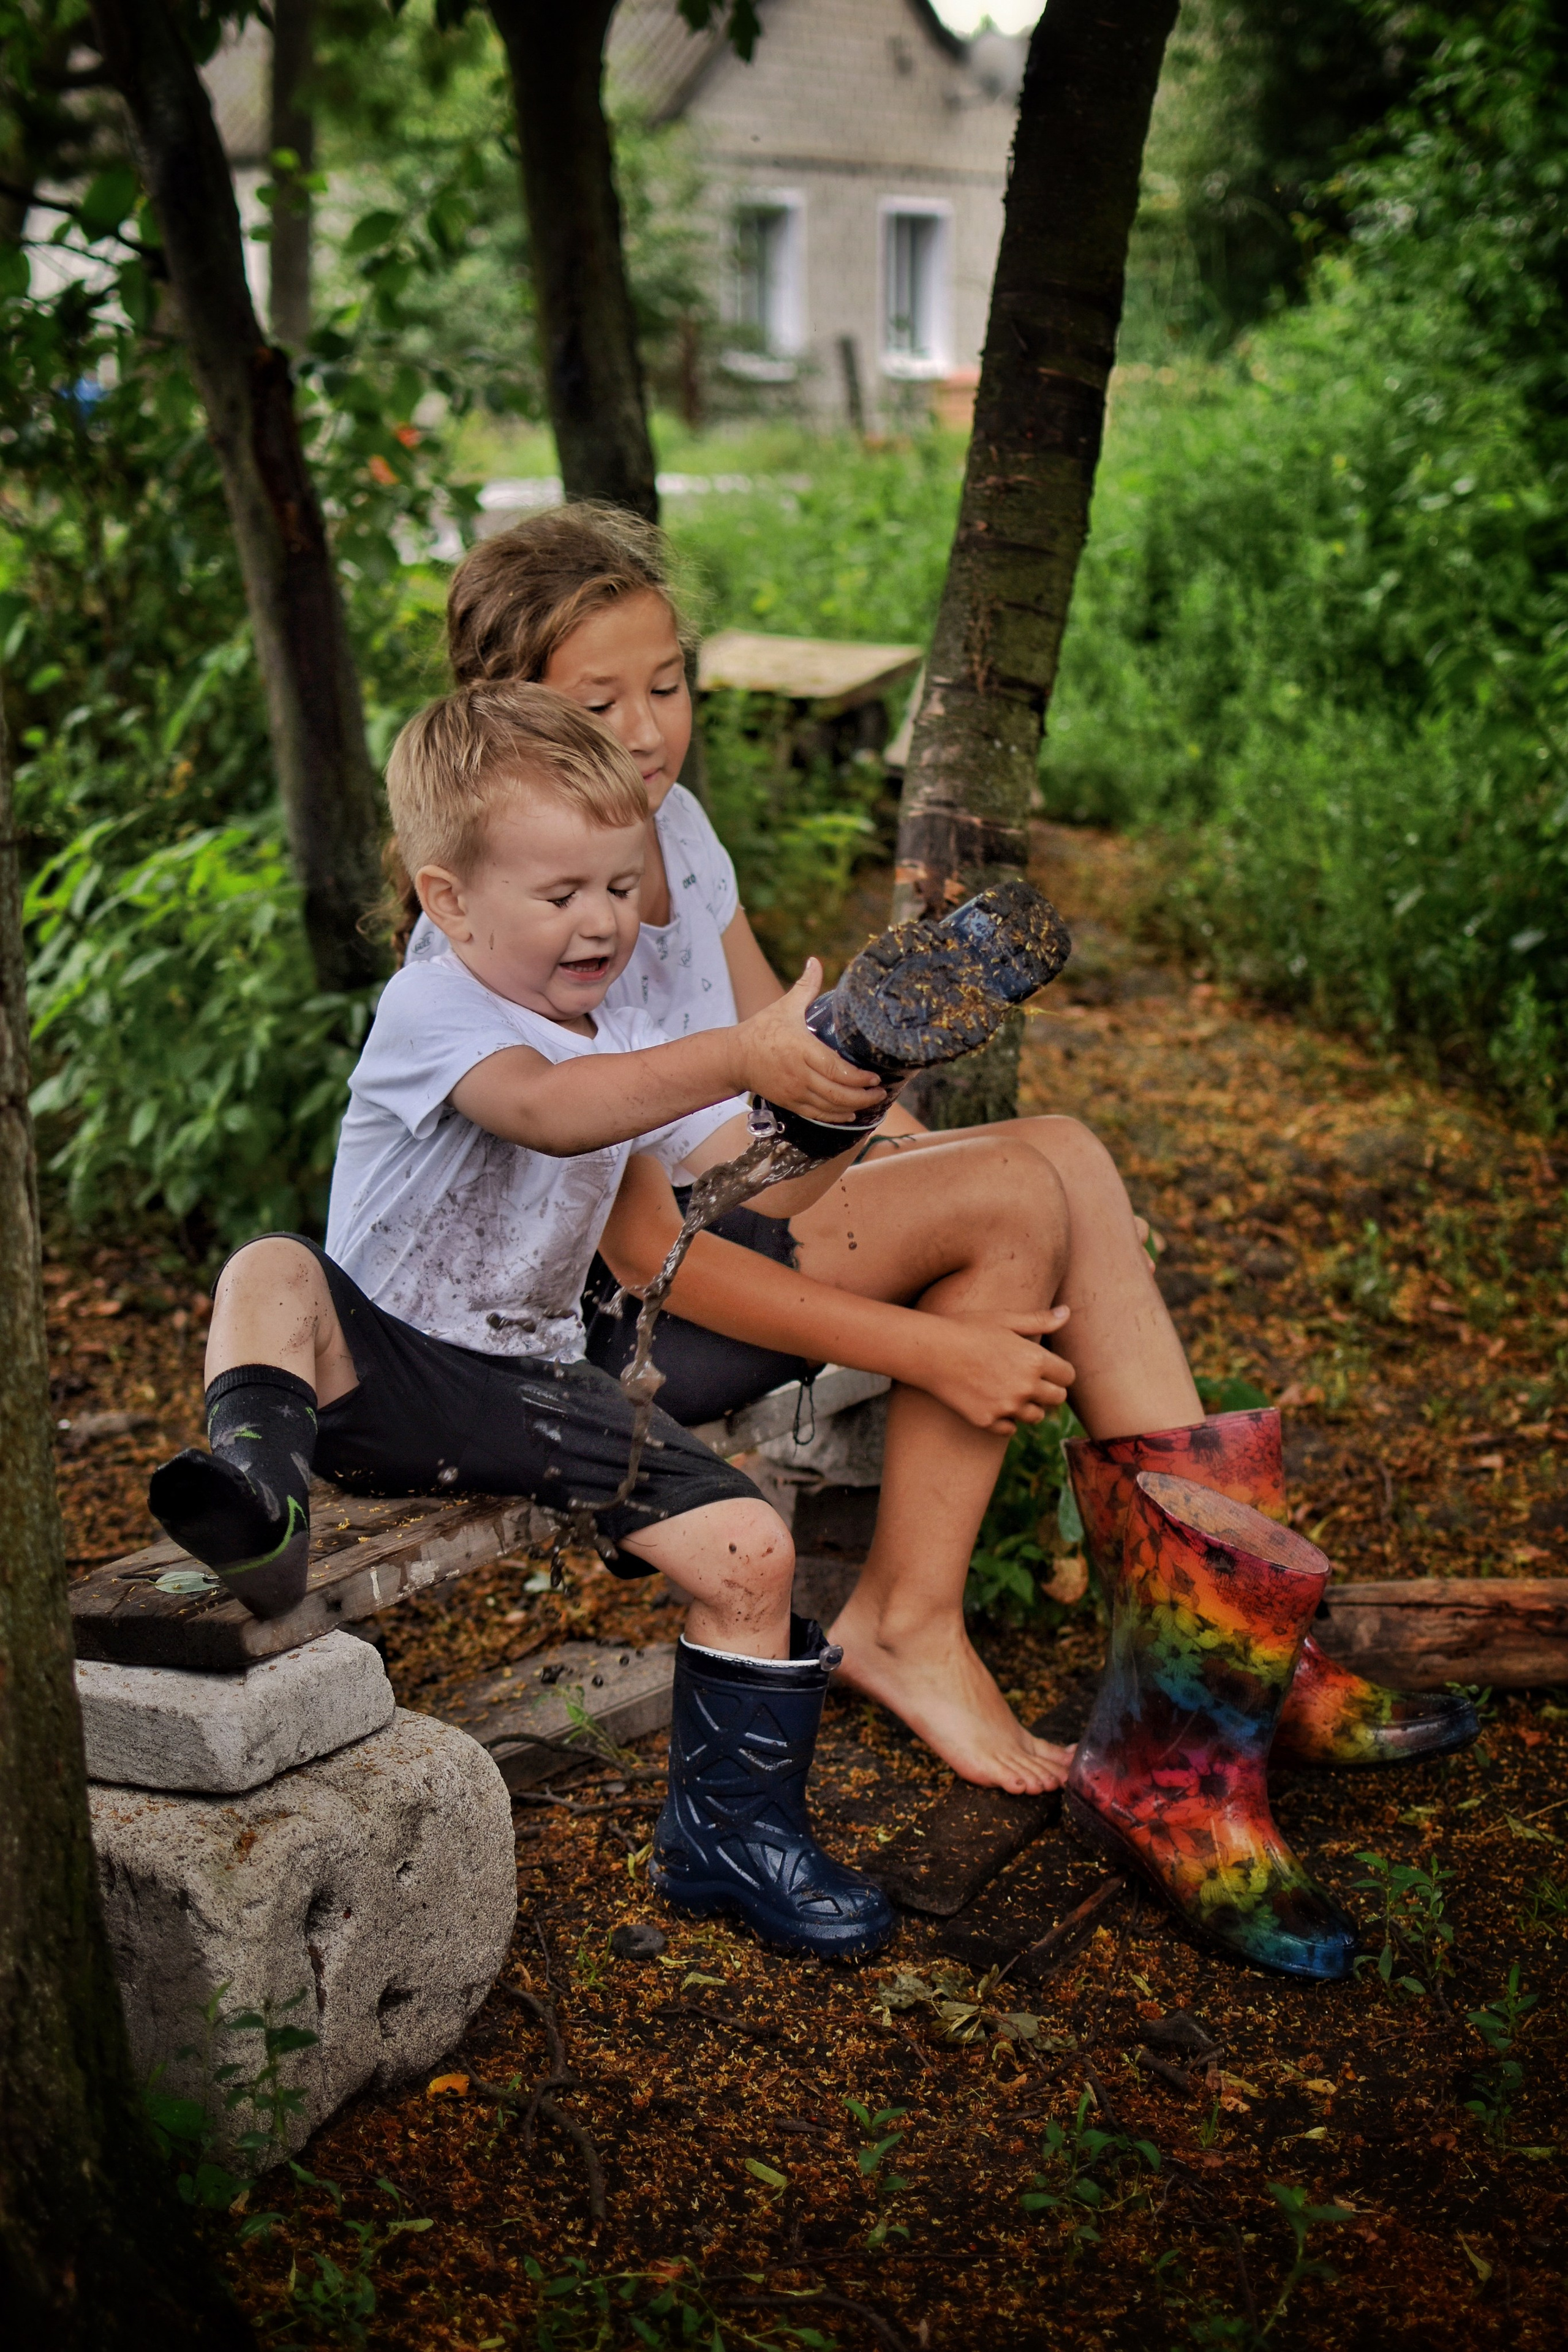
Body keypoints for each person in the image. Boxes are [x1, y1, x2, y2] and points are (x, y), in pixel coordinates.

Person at [397, 505, 1476, 1820]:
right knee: (1014, 1194)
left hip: (727, 1223)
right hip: (611, 1324)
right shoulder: (522, 929)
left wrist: (886, 1118)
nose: (646, 730)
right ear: (513, 725)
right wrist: (930, 1337)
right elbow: (641, 1252)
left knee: (1059, 1155)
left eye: (669, 684)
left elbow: (773, 1083)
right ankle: (924, 1628)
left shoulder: (670, 837)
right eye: (600, 701)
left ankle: (1219, 1653)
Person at [142, 683, 1074, 1957]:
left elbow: (746, 1182)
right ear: (447, 900)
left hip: (531, 1377)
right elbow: (550, 1109)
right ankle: (259, 1495)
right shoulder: (437, 1013)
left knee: (748, 1550)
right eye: (561, 894)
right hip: (372, 1359)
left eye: (621, 888)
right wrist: (738, 1049)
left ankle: (730, 1836)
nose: (602, 922)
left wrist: (847, 1077)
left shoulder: (619, 1028)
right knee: (269, 1267)